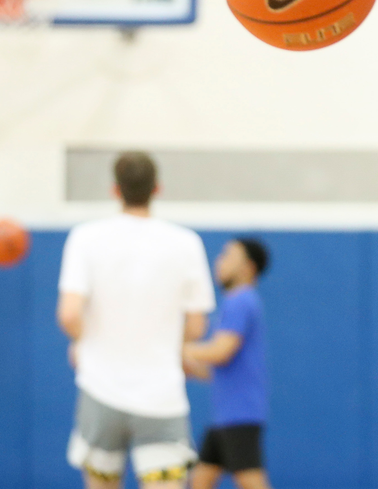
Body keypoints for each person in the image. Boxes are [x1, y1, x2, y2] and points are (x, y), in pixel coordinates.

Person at [58, 152, 216, 489]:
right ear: (157, 188)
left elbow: (69, 314)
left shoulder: (86, 238)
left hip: (100, 390)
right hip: (161, 396)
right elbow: (196, 327)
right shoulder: (186, 243)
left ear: (115, 190)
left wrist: (82, 342)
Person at [184, 238, 272, 489]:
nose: (219, 261)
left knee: (250, 481)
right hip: (225, 416)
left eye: (228, 256)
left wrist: (177, 348)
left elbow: (221, 351)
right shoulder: (235, 303)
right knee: (200, 480)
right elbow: (217, 369)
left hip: (239, 414)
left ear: (249, 268)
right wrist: (188, 363)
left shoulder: (241, 301)